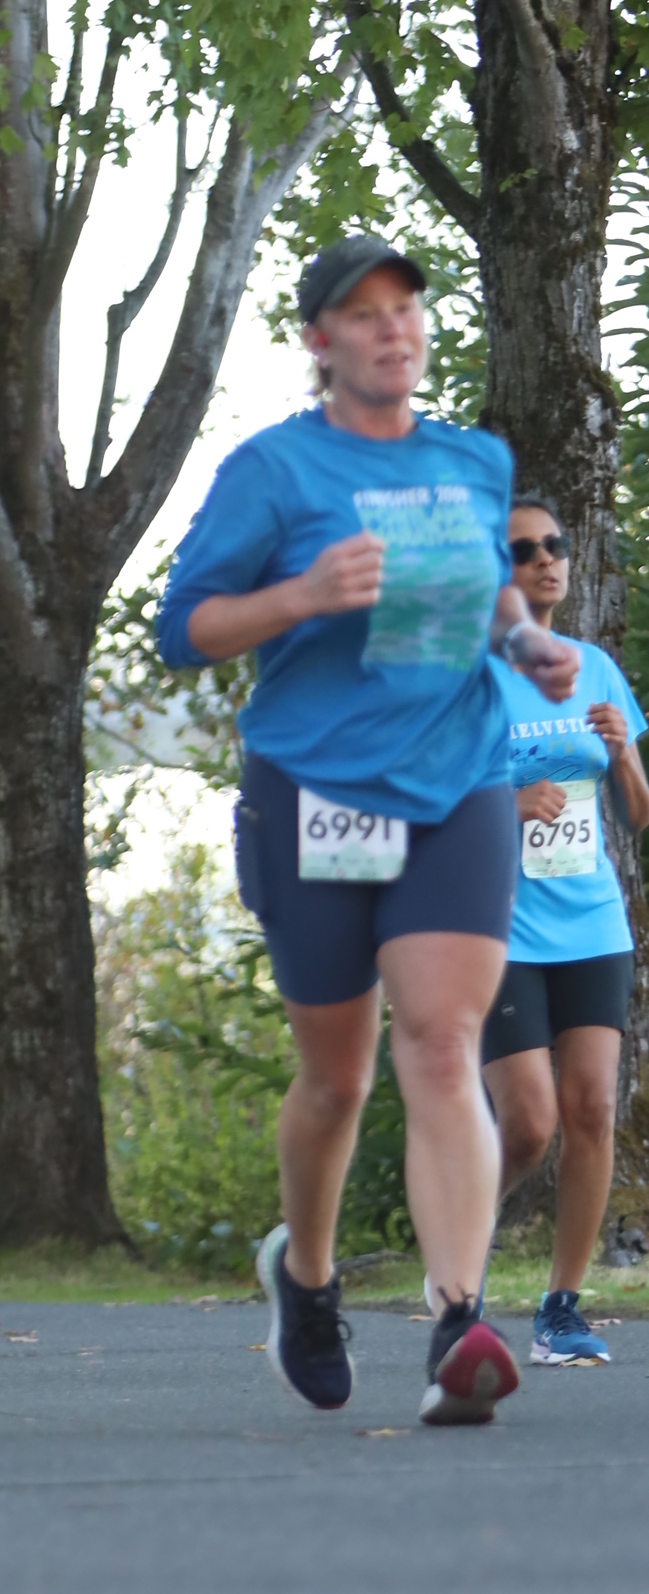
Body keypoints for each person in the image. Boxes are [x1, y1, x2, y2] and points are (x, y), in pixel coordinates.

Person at [158, 232, 579, 1427]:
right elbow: (181, 628)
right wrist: (299, 595)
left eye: (404, 307)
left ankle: (458, 1322)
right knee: (336, 1077)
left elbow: (486, 592)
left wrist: (524, 641)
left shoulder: (470, 461)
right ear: (318, 341)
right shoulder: (273, 471)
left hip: (456, 783)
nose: (392, 327)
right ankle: (303, 1276)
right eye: (362, 312)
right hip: (318, 794)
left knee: (441, 1044)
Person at [479, 498, 648, 1364]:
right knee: (529, 1124)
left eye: (557, 545)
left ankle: (561, 1310)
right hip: (500, 930)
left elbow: (639, 812)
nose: (547, 559)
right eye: (525, 550)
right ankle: (457, 1244)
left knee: (591, 1111)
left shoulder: (598, 669)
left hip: (591, 921)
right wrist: (509, 801)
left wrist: (620, 751)